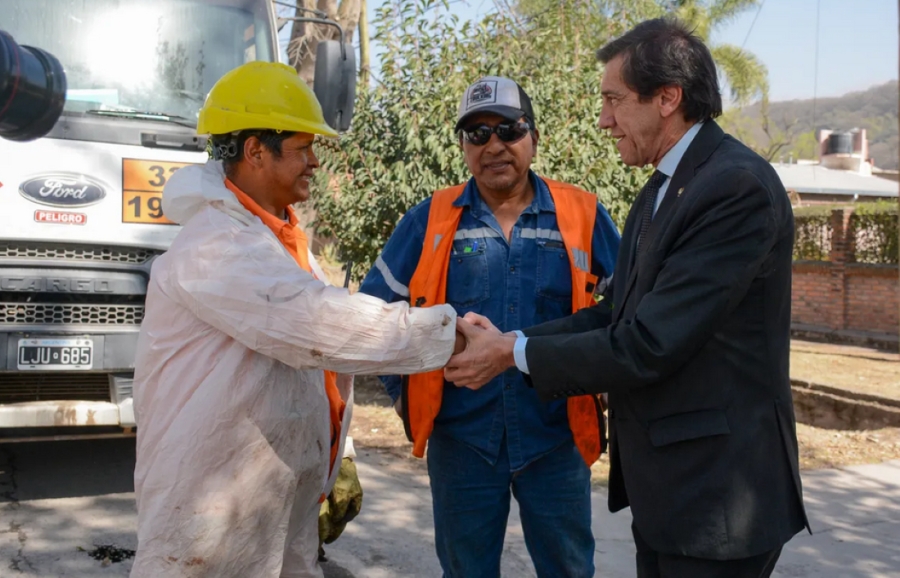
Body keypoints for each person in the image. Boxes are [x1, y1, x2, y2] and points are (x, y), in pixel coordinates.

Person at [444, 19, 810, 578]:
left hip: (719, 503)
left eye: (614, 100)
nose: (603, 120)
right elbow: (614, 312)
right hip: (669, 493)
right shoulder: (663, 188)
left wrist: (509, 357)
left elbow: (648, 342)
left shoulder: (735, 188)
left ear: (668, 98)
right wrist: (512, 342)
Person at [130, 62, 465, 578]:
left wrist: (336, 452)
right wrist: (451, 335)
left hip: (264, 495)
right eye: (302, 148)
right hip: (210, 508)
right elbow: (319, 327)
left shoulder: (277, 239)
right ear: (255, 151)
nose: (313, 162)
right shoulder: (218, 246)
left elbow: (310, 366)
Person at [358, 76, 621, 578]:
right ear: (462, 147)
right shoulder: (430, 221)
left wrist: (604, 378)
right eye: (477, 134)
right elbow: (373, 312)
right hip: (463, 443)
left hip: (556, 439)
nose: (494, 145)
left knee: (569, 568)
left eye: (509, 129)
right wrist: (400, 394)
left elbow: (629, 305)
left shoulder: (582, 216)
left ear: (533, 138)